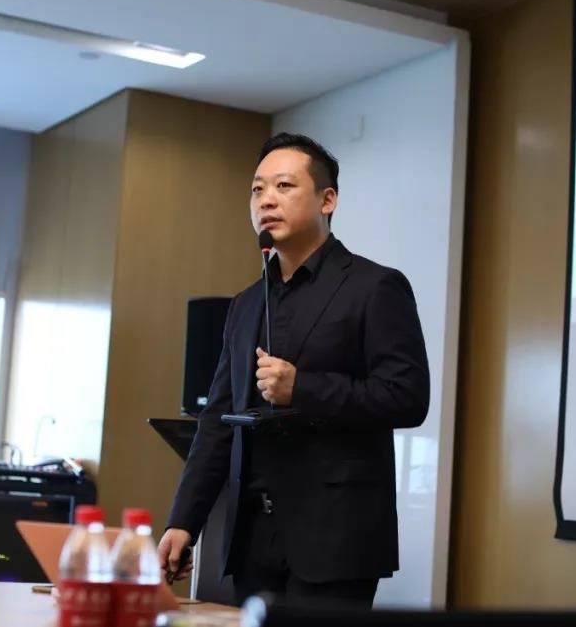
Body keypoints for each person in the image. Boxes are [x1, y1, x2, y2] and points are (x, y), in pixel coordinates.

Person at [157, 132, 429, 607]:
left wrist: (302, 388)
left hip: (336, 541)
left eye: (284, 186)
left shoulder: (374, 287)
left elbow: (407, 397)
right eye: (257, 189)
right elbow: (218, 419)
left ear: (328, 200)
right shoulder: (245, 305)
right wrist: (184, 520)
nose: (266, 200)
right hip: (251, 541)